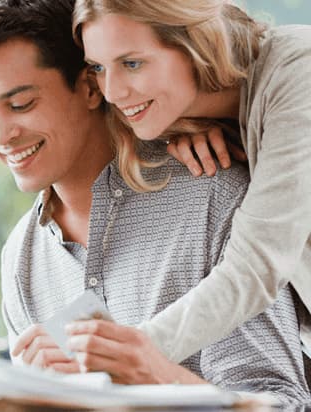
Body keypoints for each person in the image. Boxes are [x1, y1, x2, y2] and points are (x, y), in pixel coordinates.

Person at [0, 0, 310, 403]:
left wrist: (137, 360)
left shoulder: (216, 186)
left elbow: (257, 271)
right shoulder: (22, 257)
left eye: (21, 105)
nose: (0, 135)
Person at [72, 0, 311, 365]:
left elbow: (255, 268)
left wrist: (132, 353)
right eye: (99, 68)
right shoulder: (223, 125)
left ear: (195, 43)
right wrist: (183, 129)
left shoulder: (299, 70)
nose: (113, 92)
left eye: (132, 63)